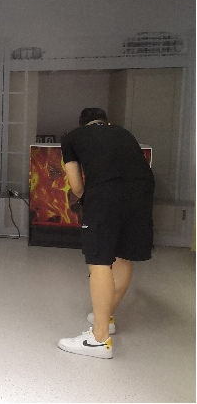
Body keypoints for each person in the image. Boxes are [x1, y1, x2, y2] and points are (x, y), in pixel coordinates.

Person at [57, 107, 155, 359]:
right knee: (123, 255)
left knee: (99, 260)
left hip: (106, 193)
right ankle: (106, 317)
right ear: (106, 122)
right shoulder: (124, 133)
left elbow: (76, 185)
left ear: (83, 124)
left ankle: (99, 338)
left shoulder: (72, 137)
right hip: (143, 192)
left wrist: (86, 201)